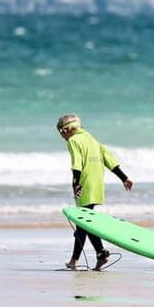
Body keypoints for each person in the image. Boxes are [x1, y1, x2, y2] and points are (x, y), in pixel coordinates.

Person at [57, 113, 133, 271]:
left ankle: (84, 257)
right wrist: (124, 178)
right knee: (85, 222)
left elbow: (76, 163)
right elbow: (108, 158)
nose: (62, 137)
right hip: (97, 183)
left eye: (61, 133)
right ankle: (96, 255)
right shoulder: (91, 139)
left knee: (82, 222)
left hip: (85, 183)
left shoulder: (73, 140)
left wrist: (76, 184)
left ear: (66, 131)